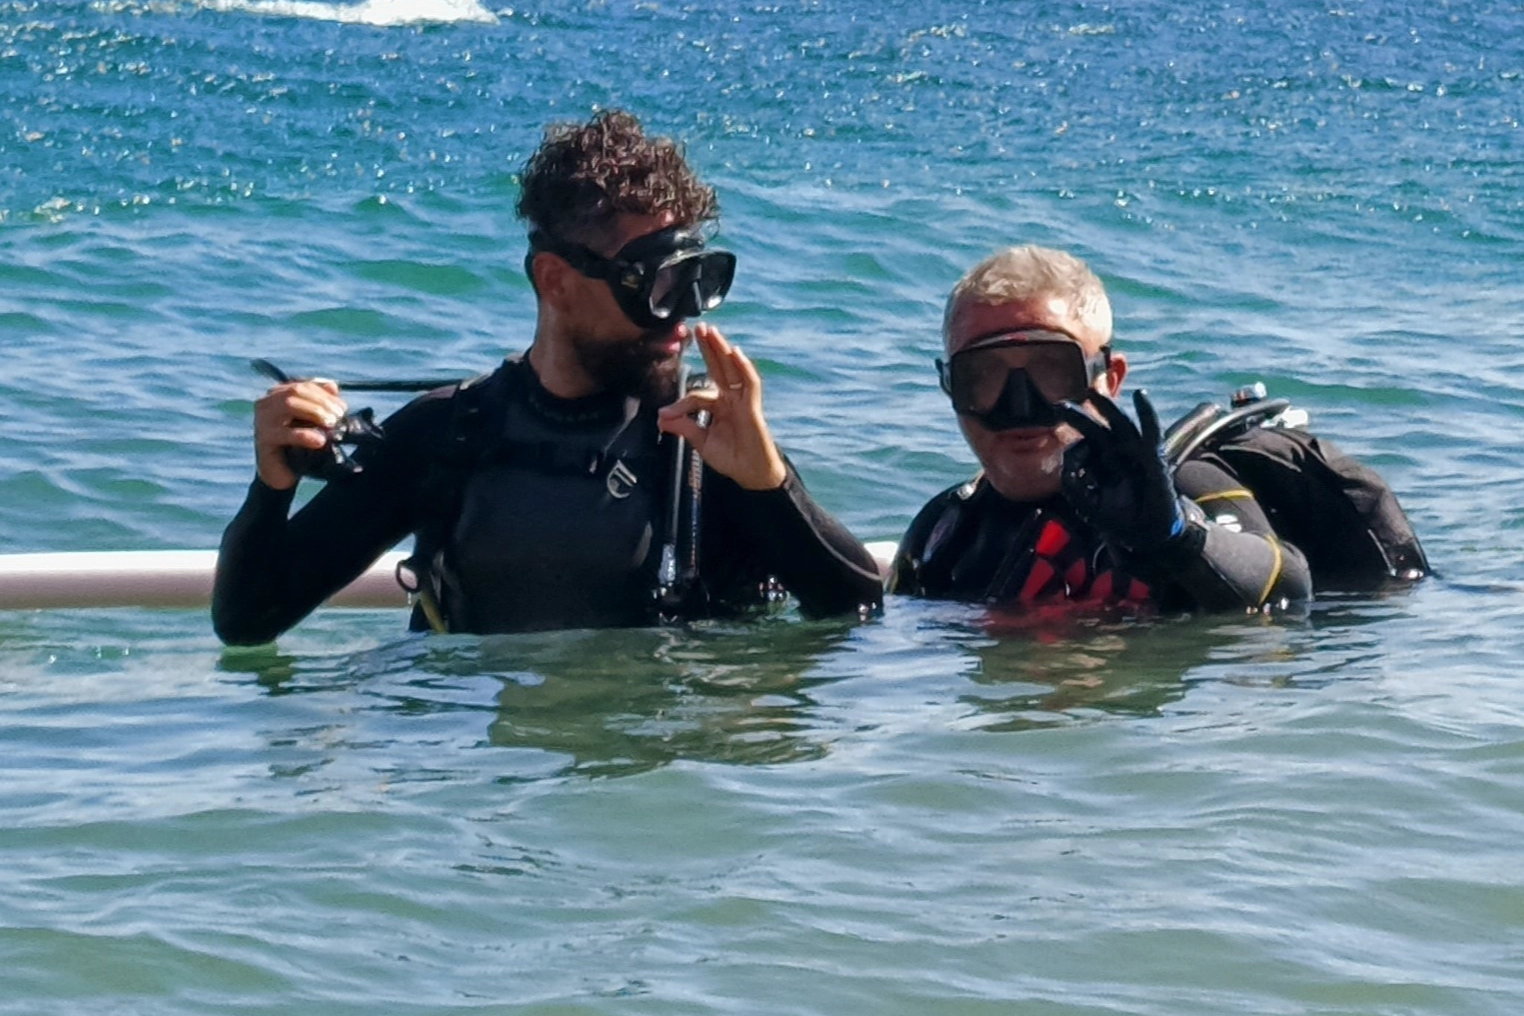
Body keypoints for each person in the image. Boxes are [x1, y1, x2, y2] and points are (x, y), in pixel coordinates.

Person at [214, 110, 883, 644]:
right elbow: (248, 622)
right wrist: (273, 487)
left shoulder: (708, 448)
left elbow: (858, 612)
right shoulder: (451, 437)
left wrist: (769, 485)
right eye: (655, 286)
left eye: (696, 282)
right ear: (556, 281)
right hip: (485, 769)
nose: (681, 320)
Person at [890, 245, 1313, 613]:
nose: (1020, 408)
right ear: (950, 386)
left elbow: (1290, 587)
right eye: (983, 377)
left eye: (1052, 372)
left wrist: (1176, 538)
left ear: (1110, 379)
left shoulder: (1180, 487)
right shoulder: (944, 531)